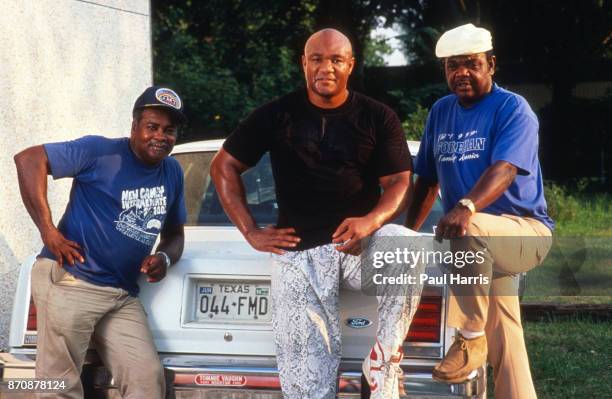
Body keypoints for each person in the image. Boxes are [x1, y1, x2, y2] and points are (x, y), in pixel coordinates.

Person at [211, 28, 425, 399]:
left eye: (336, 59)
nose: (326, 67)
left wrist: (369, 222)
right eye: (317, 58)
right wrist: (250, 231)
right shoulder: (276, 114)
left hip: (359, 246)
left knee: (409, 248)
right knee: (307, 386)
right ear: (304, 64)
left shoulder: (378, 116)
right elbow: (223, 165)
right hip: (298, 253)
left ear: (351, 66)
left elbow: (399, 183)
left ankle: (383, 360)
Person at [405, 24, 554, 399]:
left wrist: (466, 205)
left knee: (468, 229)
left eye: (471, 64)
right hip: (479, 244)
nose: (461, 74)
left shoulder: (512, 108)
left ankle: (469, 339)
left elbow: (503, 170)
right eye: (452, 66)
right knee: (505, 336)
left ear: (491, 64)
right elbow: (425, 180)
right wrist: (407, 233)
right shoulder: (441, 112)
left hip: (523, 230)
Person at [13, 86, 188, 399]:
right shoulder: (99, 151)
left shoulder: (172, 171)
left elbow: (175, 233)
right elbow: (29, 159)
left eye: (169, 130)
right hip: (72, 282)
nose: (160, 136)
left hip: (121, 294)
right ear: (134, 126)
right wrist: (48, 231)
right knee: (57, 387)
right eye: (152, 127)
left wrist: (165, 257)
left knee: (147, 380)